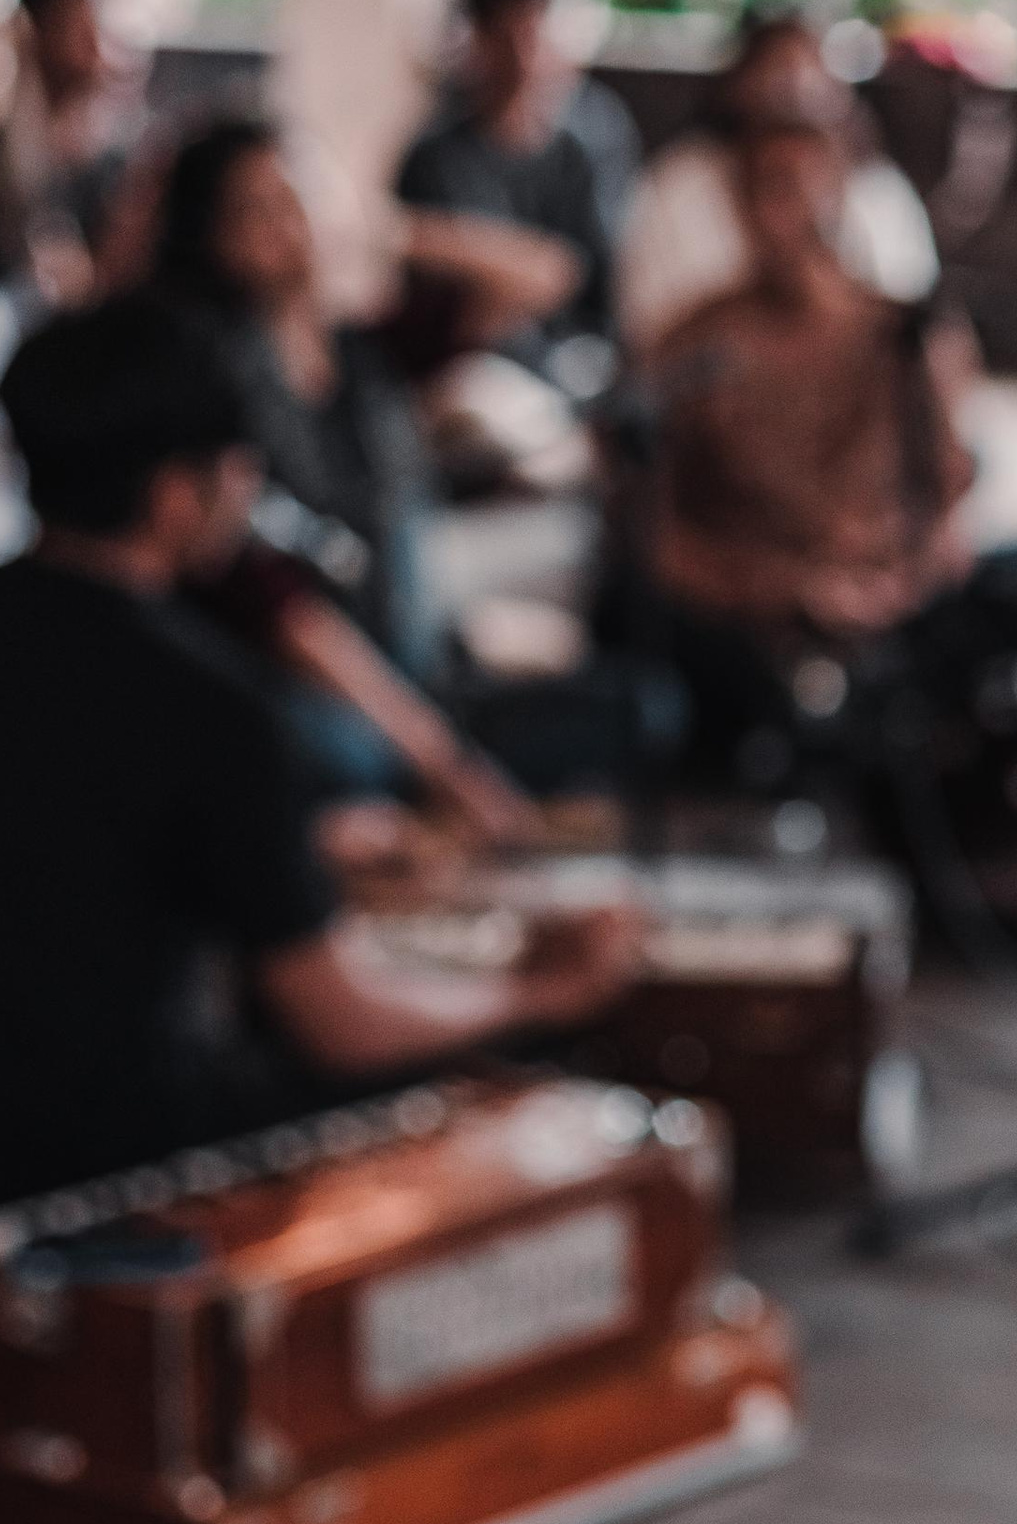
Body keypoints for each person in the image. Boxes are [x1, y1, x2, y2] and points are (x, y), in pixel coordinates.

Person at [0, 295, 645, 1199]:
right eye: (239, 467)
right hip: (111, 1160)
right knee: (513, 1072)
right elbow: (341, 1021)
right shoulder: (213, 708)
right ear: (177, 492)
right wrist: (543, 989)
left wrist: (298, 845)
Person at [150, 115, 536, 841]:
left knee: (636, 707)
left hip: (410, 671)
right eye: (260, 207)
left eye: (301, 198)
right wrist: (439, 759)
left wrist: (388, 229)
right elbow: (279, 606)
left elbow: (541, 277)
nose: (291, 224)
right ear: (209, 232)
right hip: (295, 688)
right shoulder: (209, 377)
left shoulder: (367, 352)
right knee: (331, 754)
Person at [642, 116, 971, 762]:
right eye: (763, 189)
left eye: (800, 186)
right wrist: (783, 588)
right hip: (747, 627)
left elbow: (953, 501)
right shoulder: (694, 344)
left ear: (841, 194)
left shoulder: (907, 336)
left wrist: (898, 586)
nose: (784, 212)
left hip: (895, 613)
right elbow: (660, 537)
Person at [619, 7, 938, 354]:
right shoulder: (682, 185)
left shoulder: (877, 190)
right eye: (775, 187)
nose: (792, 88)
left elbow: (911, 313)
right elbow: (652, 328)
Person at [394, 0, 632, 393]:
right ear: (477, 43)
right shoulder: (434, 158)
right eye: (507, 35)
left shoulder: (593, 139)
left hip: (580, 363)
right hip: (468, 374)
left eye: (534, 32)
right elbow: (451, 308)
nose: (524, 55)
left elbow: (587, 278)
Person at [1, 0, 147, 321]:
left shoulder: (117, 148)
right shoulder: (13, 138)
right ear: (36, 31)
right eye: (81, 26)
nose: (98, 47)